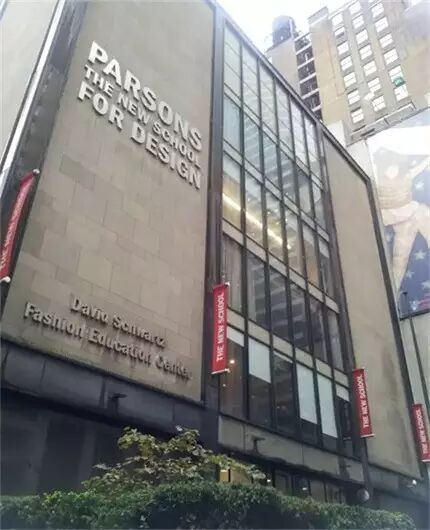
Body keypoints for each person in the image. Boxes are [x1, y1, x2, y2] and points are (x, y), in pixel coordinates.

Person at [373, 148, 429, 293]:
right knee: (399, 259)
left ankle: (393, 291)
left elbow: (420, 167)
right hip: (398, 221)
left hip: (413, 215)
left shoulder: (406, 175)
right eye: (389, 166)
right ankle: (393, 293)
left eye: (394, 166)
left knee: (423, 214)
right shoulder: (377, 182)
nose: (392, 170)